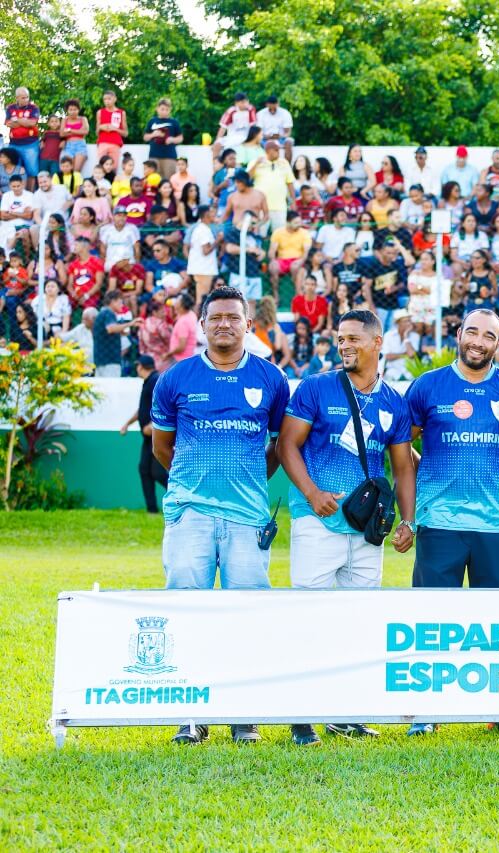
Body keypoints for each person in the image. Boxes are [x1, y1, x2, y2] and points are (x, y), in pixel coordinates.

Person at [150, 286, 290, 745]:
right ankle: (190, 715)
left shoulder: (271, 380)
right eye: (216, 318)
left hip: (247, 516)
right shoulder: (175, 378)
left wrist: (245, 481)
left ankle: (242, 714)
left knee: (245, 614)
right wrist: (193, 484)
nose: (225, 324)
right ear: (203, 325)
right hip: (190, 513)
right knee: (188, 609)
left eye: (234, 317)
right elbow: (162, 447)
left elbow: (277, 448)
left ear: (249, 324)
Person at [278, 309, 416, 745]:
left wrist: (408, 520)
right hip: (318, 522)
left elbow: (403, 468)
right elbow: (287, 445)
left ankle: (346, 714)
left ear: (378, 343)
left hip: (366, 529)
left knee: (359, 622)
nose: (345, 346)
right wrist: (311, 493)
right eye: (340, 339)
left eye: (354, 338)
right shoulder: (316, 388)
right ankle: (301, 716)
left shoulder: (395, 401)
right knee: (309, 620)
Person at [404, 309, 499, 733]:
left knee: (498, 622)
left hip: (493, 523)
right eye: (472, 332)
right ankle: (426, 712)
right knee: (431, 620)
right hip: (439, 520)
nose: (478, 341)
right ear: (458, 335)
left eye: (489, 336)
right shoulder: (428, 386)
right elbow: (404, 446)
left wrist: (494, 467)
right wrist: (429, 474)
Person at [118, 355, 168, 514]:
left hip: (157, 437)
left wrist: (154, 425)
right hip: (148, 439)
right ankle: (151, 510)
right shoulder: (148, 382)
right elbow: (144, 409)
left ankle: (184, 496)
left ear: (141, 366)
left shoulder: (155, 380)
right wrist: (128, 423)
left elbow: (165, 403)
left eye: (137, 365)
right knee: (144, 469)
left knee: (158, 473)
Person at [142, 99, 184, 180]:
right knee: (152, 179)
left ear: (170, 110)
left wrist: (172, 139)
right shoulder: (152, 121)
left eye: (167, 109)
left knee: (169, 180)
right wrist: (153, 134)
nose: (164, 111)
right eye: (162, 109)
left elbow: (180, 138)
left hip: (169, 156)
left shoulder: (174, 122)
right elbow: (145, 137)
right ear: (157, 108)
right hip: (154, 155)